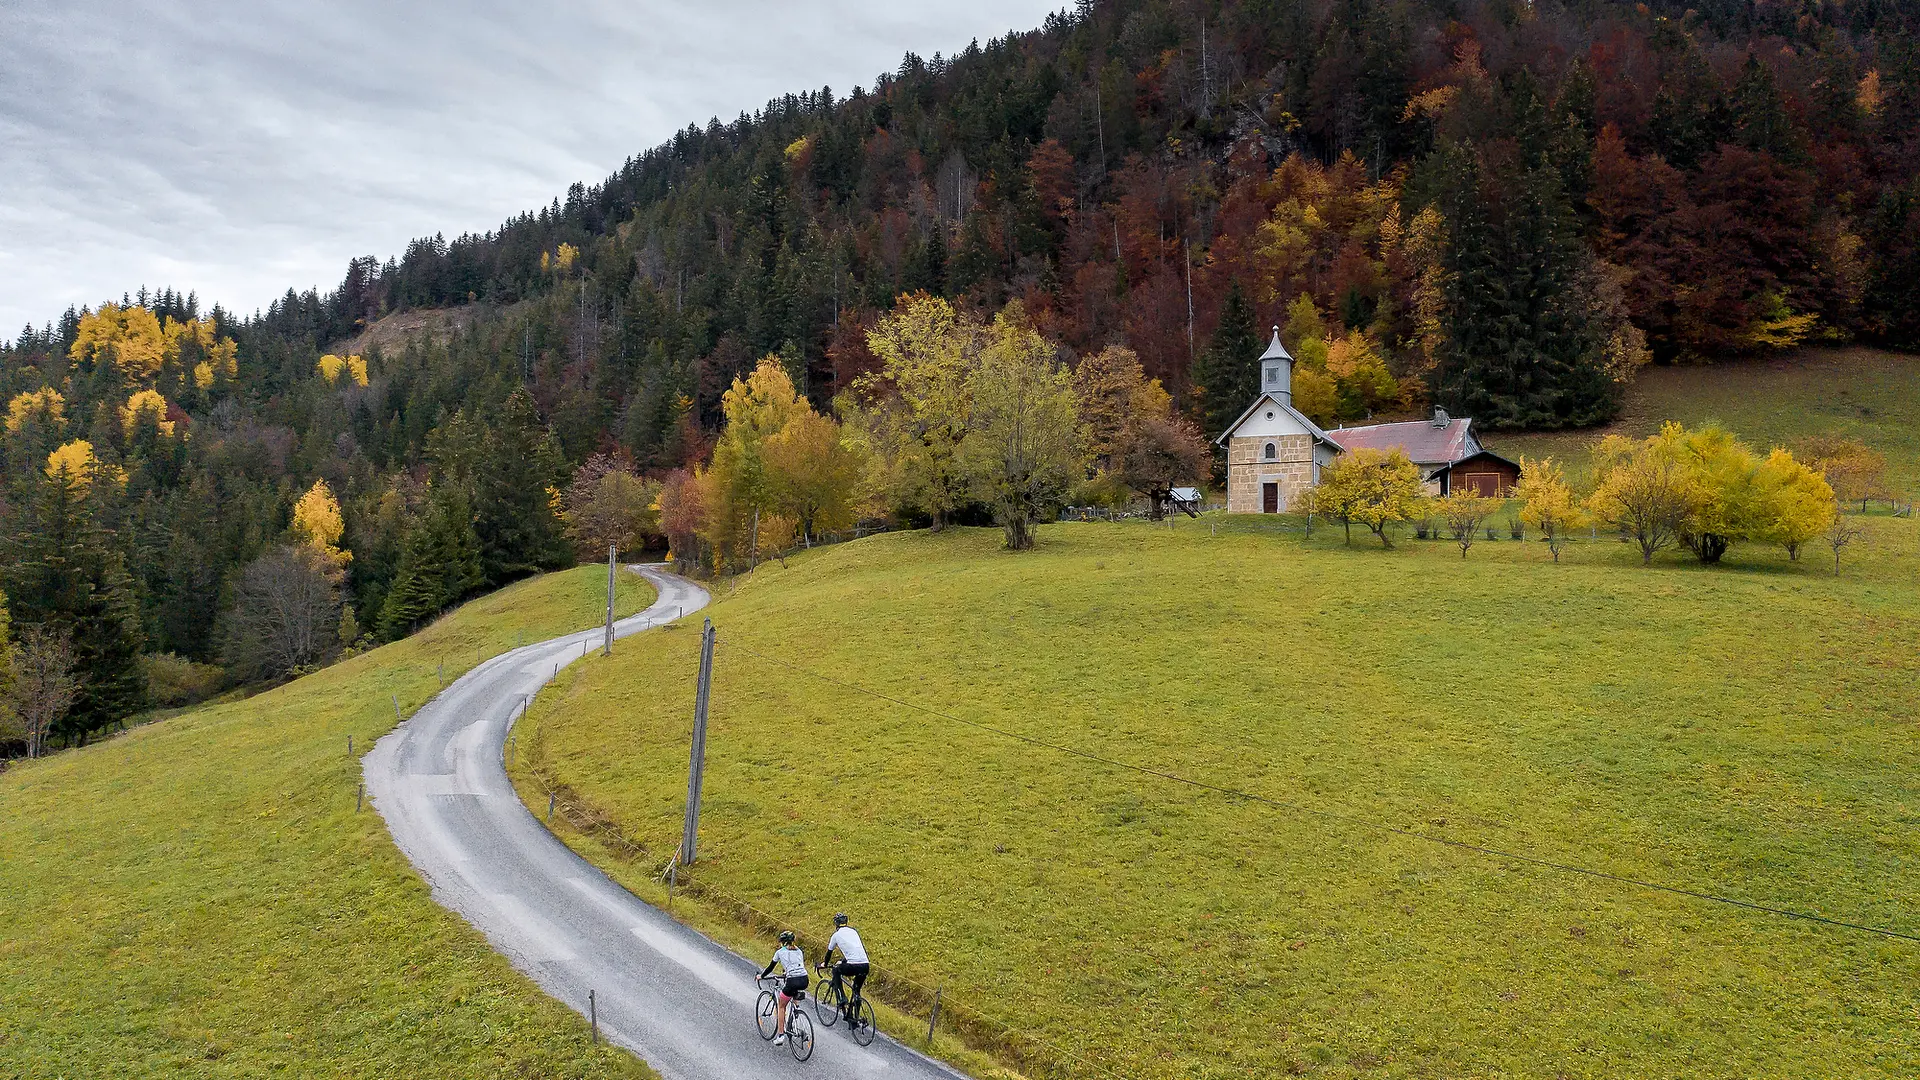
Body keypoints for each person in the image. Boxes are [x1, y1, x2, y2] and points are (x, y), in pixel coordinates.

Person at [759, 930, 808, 1045]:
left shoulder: (780, 952)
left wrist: (761, 976)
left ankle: (780, 1035)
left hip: (792, 980)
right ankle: (796, 1012)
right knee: (793, 993)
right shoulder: (799, 951)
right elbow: (797, 966)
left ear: (783, 942)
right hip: (804, 979)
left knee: (781, 1006)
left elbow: (770, 968)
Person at [821, 912, 870, 1016]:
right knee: (856, 991)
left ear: (836, 924)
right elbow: (853, 950)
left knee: (836, 970)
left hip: (853, 965)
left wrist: (825, 964)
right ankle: (855, 1017)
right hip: (865, 964)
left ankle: (842, 997)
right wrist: (843, 961)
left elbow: (829, 953)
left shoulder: (836, 935)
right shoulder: (854, 931)